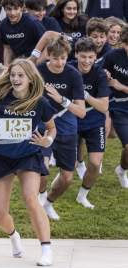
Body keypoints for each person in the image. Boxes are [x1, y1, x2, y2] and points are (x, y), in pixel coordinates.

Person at [0, 59, 56, 266]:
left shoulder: (40, 102)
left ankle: (46, 248)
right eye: (13, 75)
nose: (15, 79)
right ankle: (14, 236)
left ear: (30, 78)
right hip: (1, 155)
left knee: (30, 198)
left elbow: (52, 127)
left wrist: (47, 141)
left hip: (28, 154)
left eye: (20, 75)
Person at [35, 36, 86, 221]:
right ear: (48, 56)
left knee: (67, 177)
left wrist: (61, 99)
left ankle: (48, 203)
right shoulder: (38, 72)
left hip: (66, 126)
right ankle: (40, 197)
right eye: (55, 58)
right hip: (43, 125)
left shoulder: (73, 75)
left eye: (63, 58)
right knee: (42, 167)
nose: (59, 62)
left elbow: (81, 112)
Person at [71, 38, 110, 208]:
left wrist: (84, 94)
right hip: (71, 118)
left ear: (96, 57)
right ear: (76, 55)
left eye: (91, 57)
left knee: (95, 163)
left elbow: (103, 106)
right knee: (68, 164)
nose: (87, 61)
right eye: (83, 56)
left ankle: (82, 195)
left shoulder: (100, 74)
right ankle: (48, 193)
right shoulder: (68, 69)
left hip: (94, 120)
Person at [102, 26, 128, 188]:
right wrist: (105, 74)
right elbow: (101, 73)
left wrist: (121, 86)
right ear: (124, 43)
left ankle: (122, 168)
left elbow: (118, 85)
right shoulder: (113, 56)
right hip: (119, 108)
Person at [0, 0, 46, 66]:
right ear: (4, 9)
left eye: (16, 9)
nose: (12, 13)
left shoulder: (32, 23)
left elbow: (47, 46)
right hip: (20, 63)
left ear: (22, 8)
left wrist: (35, 63)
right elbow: (7, 48)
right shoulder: (3, 25)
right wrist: (6, 67)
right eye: (9, 9)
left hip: (37, 63)